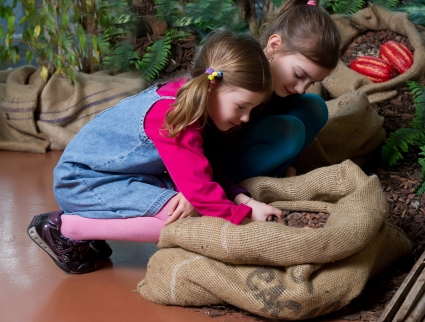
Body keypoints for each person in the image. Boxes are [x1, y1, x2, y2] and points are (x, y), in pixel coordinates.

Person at [27, 30, 282, 274]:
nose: (246, 118)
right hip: (82, 183)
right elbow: (201, 193)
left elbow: (203, 170)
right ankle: (65, 229)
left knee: (188, 202)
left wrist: (242, 200)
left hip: (119, 176)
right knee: (180, 219)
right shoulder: (173, 115)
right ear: (212, 87)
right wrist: (245, 220)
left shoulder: (191, 101)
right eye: (241, 107)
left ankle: (92, 228)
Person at [203, 0, 341, 187]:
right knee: (290, 130)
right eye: (299, 75)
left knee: (315, 106)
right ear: (274, 45)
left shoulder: (285, 85)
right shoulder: (242, 76)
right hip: (214, 157)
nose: (301, 89)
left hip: (250, 140)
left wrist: (290, 160)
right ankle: (233, 186)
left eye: (312, 82)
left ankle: (275, 173)